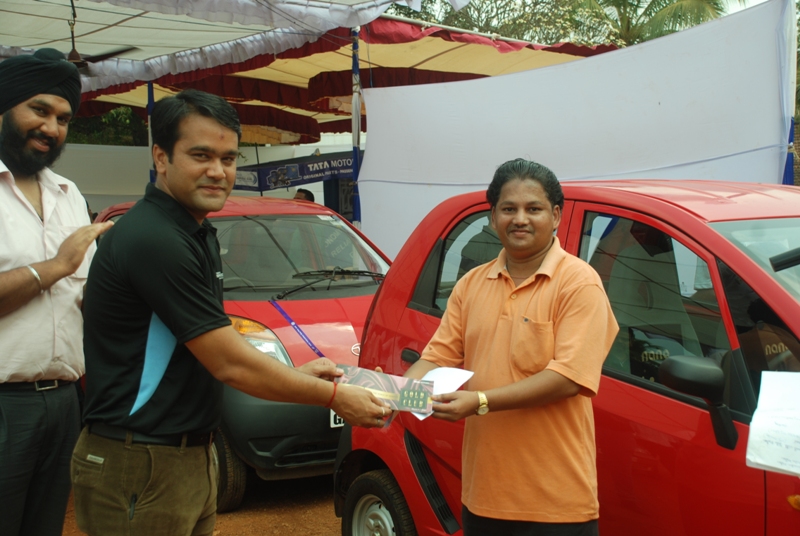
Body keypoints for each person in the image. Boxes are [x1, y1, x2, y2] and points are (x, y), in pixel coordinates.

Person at [73, 89, 389, 536]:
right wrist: (335, 397)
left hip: (185, 456)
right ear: (161, 157)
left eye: (228, 158)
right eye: (201, 155)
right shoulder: (154, 239)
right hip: (141, 459)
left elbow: (205, 345)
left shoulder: (194, 232)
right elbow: (228, 362)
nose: (218, 171)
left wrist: (298, 374)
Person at [404, 159, 619, 536]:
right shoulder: (471, 284)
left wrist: (481, 401)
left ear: (555, 216)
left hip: (556, 503)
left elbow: (569, 377)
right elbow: (437, 357)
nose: (520, 219)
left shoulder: (578, 283)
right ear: (492, 217)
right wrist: (396, 392)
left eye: (533, 209)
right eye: (508, 209)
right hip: (483, 496)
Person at [0, 48, 114, 536]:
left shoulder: (69, 194)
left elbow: (83, 296)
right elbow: (65, 269)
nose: (51, 128)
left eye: (64, 119)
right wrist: (58, 266)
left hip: (65, 402)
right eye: (39, 110)